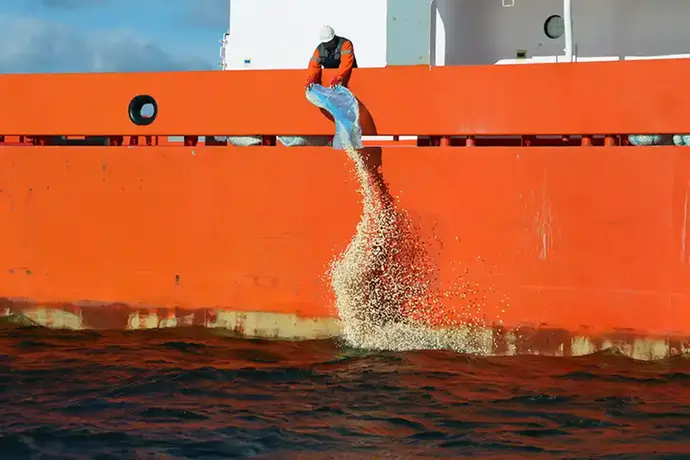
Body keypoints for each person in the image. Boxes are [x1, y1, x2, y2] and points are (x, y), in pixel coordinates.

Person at [305, 25, 358, 90]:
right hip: (330, 82)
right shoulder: (319, 50)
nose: (327, 45)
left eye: (329, 42)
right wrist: (311, 79)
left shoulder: (345, 44)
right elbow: (313, 66)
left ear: (334, 38)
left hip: (349, 79)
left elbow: (346, 62)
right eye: (325, 43)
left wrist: (338, 77)